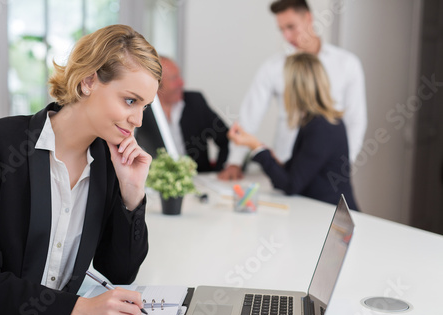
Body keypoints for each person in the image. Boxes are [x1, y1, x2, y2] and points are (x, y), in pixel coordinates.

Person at [0, 24, 161, 315]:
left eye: (145, 106)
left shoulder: (109, 163)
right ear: (88, 82)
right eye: (130, 100)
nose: (138, 120)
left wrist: (132, 192)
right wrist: (78, 309)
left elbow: (120, 271)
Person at [219, 0, 366, 180]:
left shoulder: (346, 64)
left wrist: (342, 164)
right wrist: (235, 161)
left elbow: (355, 120)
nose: (287, 36)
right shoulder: (273, 67)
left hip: (327, 171)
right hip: (284, 167)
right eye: (282, 30)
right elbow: (250, 114)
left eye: (291, 27)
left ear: (308, 18)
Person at [228, 53, 358, 210]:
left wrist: (255, 146)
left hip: (332, 219)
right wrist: (256, 145)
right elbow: (291, 173)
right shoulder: (314, 121)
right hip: (321, 213)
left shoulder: (322, 127)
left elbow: (290, 185)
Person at [135, 56, 229, 172]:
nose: (181, 83)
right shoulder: (142, 110)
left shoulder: (195, 102)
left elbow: (226, 138)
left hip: (198, 179)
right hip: (157, 182)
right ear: (156, 85)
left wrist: (221, 170)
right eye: (174, 78)